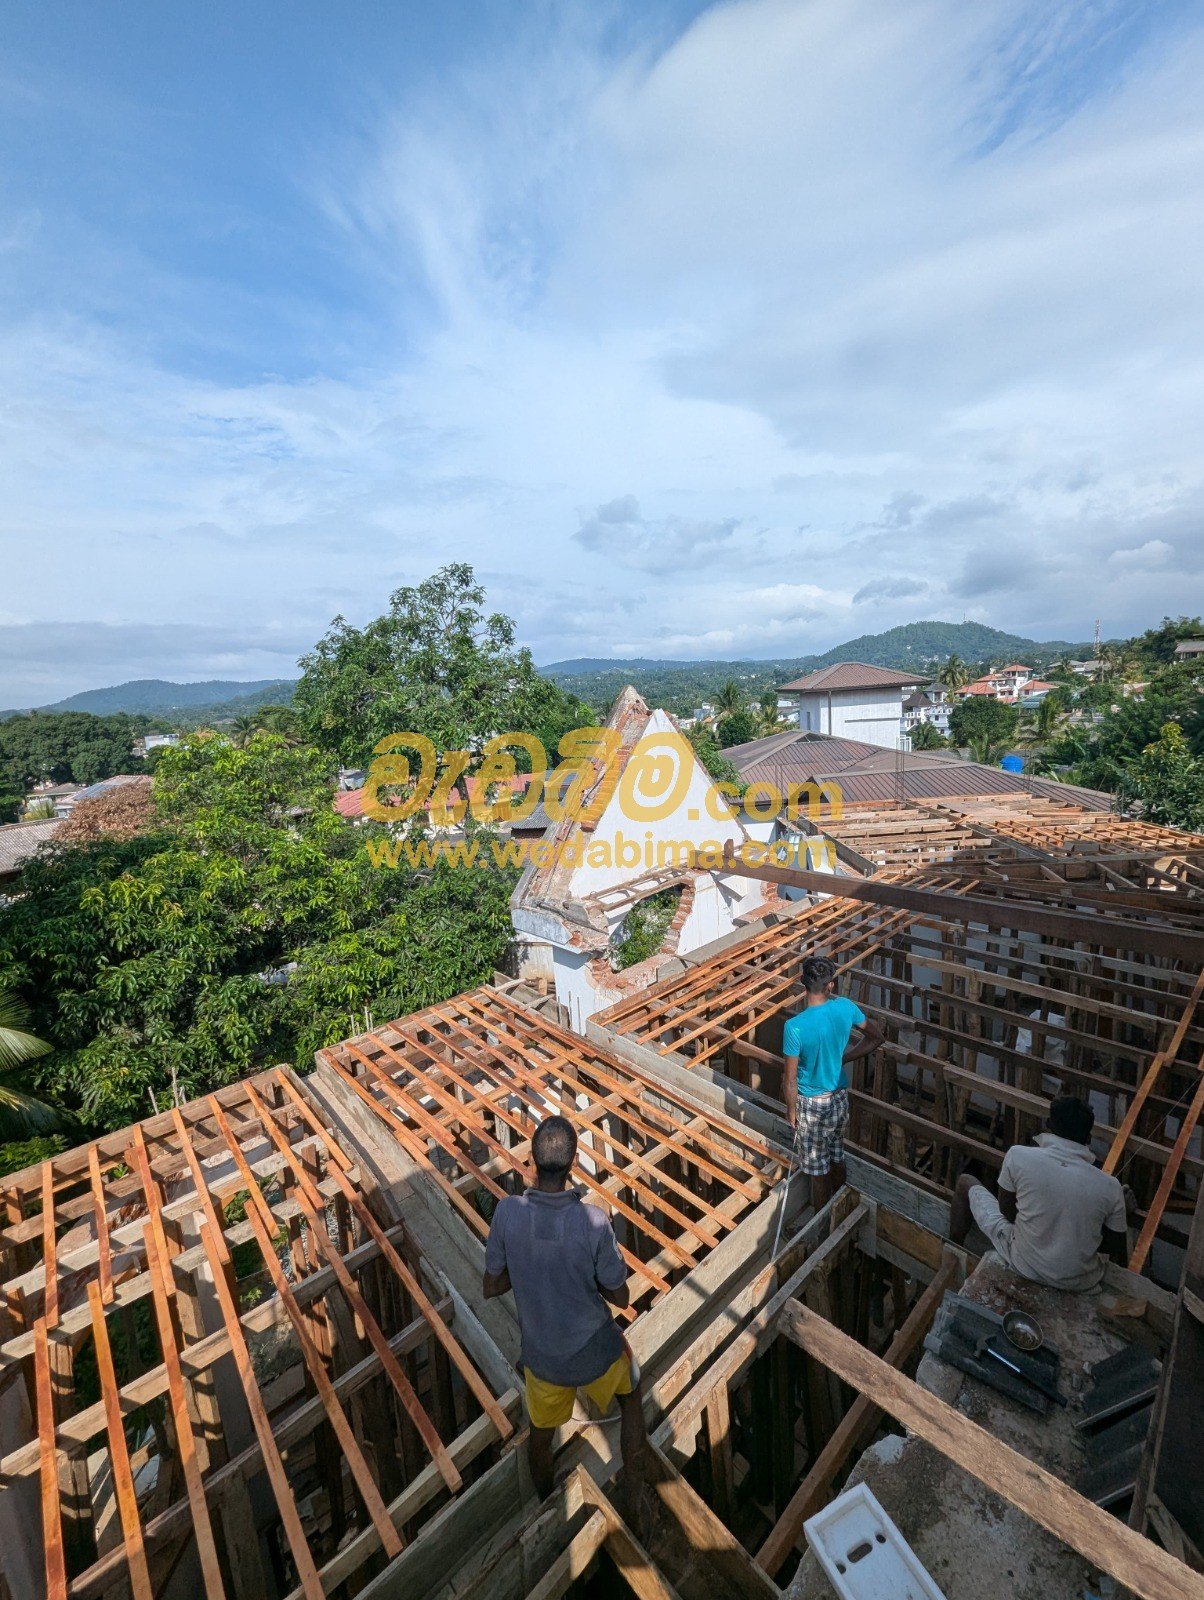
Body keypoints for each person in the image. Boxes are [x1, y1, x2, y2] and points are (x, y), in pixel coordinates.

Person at [483, 1115, 649, 1501]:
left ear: (531, 1160)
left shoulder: (507, 1213)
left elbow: (491, 1285)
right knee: (633, 1396)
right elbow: (620, 1297)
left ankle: (546, 1502)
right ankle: (634, 1489)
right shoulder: (591, 1221)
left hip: (543, 1360)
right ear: (572, 1165)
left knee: (540, 1438)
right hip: (595, 1351)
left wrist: (528, 1270)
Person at [950, 1094, 1128, 1291]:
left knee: (965, 1182)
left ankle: (952, 1251)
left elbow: (1007, 1213)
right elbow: (1113, 1247)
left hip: (1024, 1264)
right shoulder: (1111, 1186)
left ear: (1048, 1124)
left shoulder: (1018, 1155)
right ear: (1088, 1137)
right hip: (1079, 1281)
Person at [782, 955, 884, 1209]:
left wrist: (792, 1111)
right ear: (831, 985)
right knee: (837, 1156)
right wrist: (845, 1057)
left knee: (817, 1172)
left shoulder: (794, 1027)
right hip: (839, 1100)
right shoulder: (846, 1007)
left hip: (812, 1105)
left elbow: (790, 1080)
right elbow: (877, 1037)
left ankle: (822, 1220)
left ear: (803, 983)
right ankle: (841, 1204)